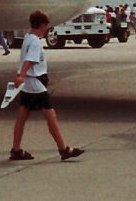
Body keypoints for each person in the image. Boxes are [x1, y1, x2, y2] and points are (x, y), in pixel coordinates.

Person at [7, 10, 83, 162]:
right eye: (46, 26)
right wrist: (21, 75)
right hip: (35, 83)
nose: (47, 29)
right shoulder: (35, 41)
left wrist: (21, 76)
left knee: (22, 116)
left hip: (28, 84)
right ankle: (63, 149)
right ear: (42, 25)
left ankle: (16, 149)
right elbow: (30, 61)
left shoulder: (27, 37)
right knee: (50, 116)